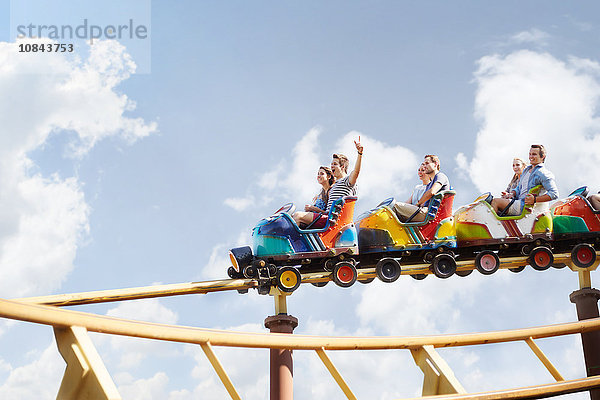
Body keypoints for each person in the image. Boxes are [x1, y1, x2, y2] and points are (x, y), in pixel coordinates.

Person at [293, 138, 364, 228]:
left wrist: (360, 154)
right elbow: (327, 212)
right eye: (331, 164)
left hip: (333, 220)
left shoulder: (347, 181)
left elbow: (356, 171)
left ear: (342, 166)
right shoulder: (333, 187)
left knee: (298, 215)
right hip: (327, 217)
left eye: (335, 164)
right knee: (293, 220)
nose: (331, 166)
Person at [491, 145, 559, 216]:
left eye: (534, 154)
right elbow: (519, 188)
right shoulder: (526, 170)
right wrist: (511, 194)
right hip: (518, 202)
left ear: (542, 157)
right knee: (489, 203)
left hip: (525, 207)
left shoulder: (543, 173)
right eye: (530, 154)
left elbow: (554, 194)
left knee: (495, 202)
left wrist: (535, 199)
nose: (531, 157)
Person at [394, 155, 450, 222]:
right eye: (424, 164)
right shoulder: (429, 184)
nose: (424, 166)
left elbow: (432, 191)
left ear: (435, 164)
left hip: (429, 214)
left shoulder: (440, 176)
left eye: (427, 163)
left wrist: (418, 204)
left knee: (395, 206)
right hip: (425, 212)